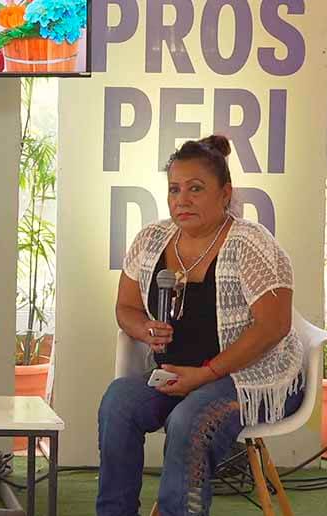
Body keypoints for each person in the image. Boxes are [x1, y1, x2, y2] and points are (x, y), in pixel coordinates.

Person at [96, 135, 305, 516]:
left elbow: (274, 326)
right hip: (176, 375)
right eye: (174, 189)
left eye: (195, 189)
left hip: (252, 379)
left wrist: (206, 374)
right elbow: (125, 308)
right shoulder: (151, 239)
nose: (182, 200)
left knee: (189, 420)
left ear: (225, 194)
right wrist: (145, 329)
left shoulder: (250, 243)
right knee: (118, 403)